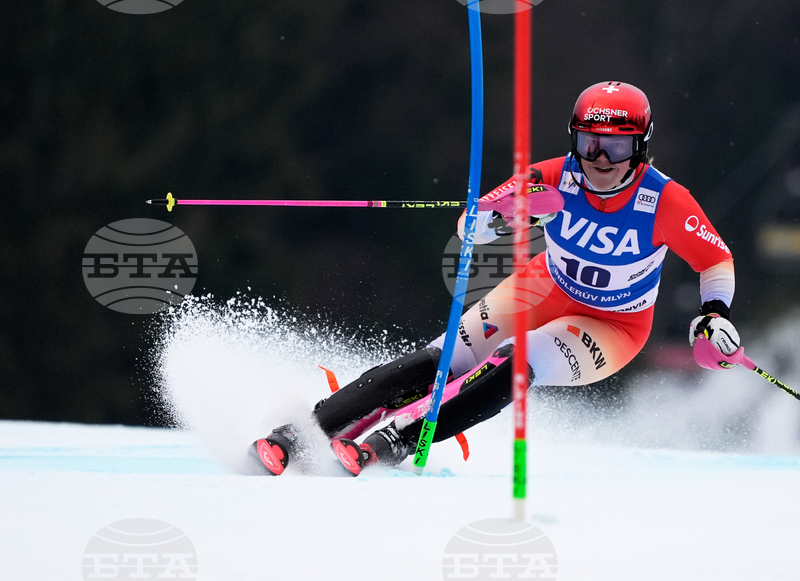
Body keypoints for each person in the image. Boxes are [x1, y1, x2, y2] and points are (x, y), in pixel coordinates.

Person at [249, 81, 740, 476]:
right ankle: (302, 432)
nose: (601, 161)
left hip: (612, 326)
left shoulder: (666, 201)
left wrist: (713, 314)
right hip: (543, 287)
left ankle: (395, 441)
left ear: (640, 147)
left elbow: (715, 260)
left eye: (616, 146)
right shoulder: (550, 176)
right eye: (590, 144)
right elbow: (472, 223)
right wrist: (508, 217)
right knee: (442, 359)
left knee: (515, 362)